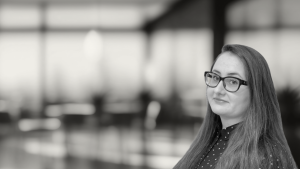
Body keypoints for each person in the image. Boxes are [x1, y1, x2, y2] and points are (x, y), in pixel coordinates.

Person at [173, 44, 298, 169]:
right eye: (215, 77)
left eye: (232, 81)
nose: (217, 90)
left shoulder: (268, 156)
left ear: (257, 92)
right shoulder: (206, 142)